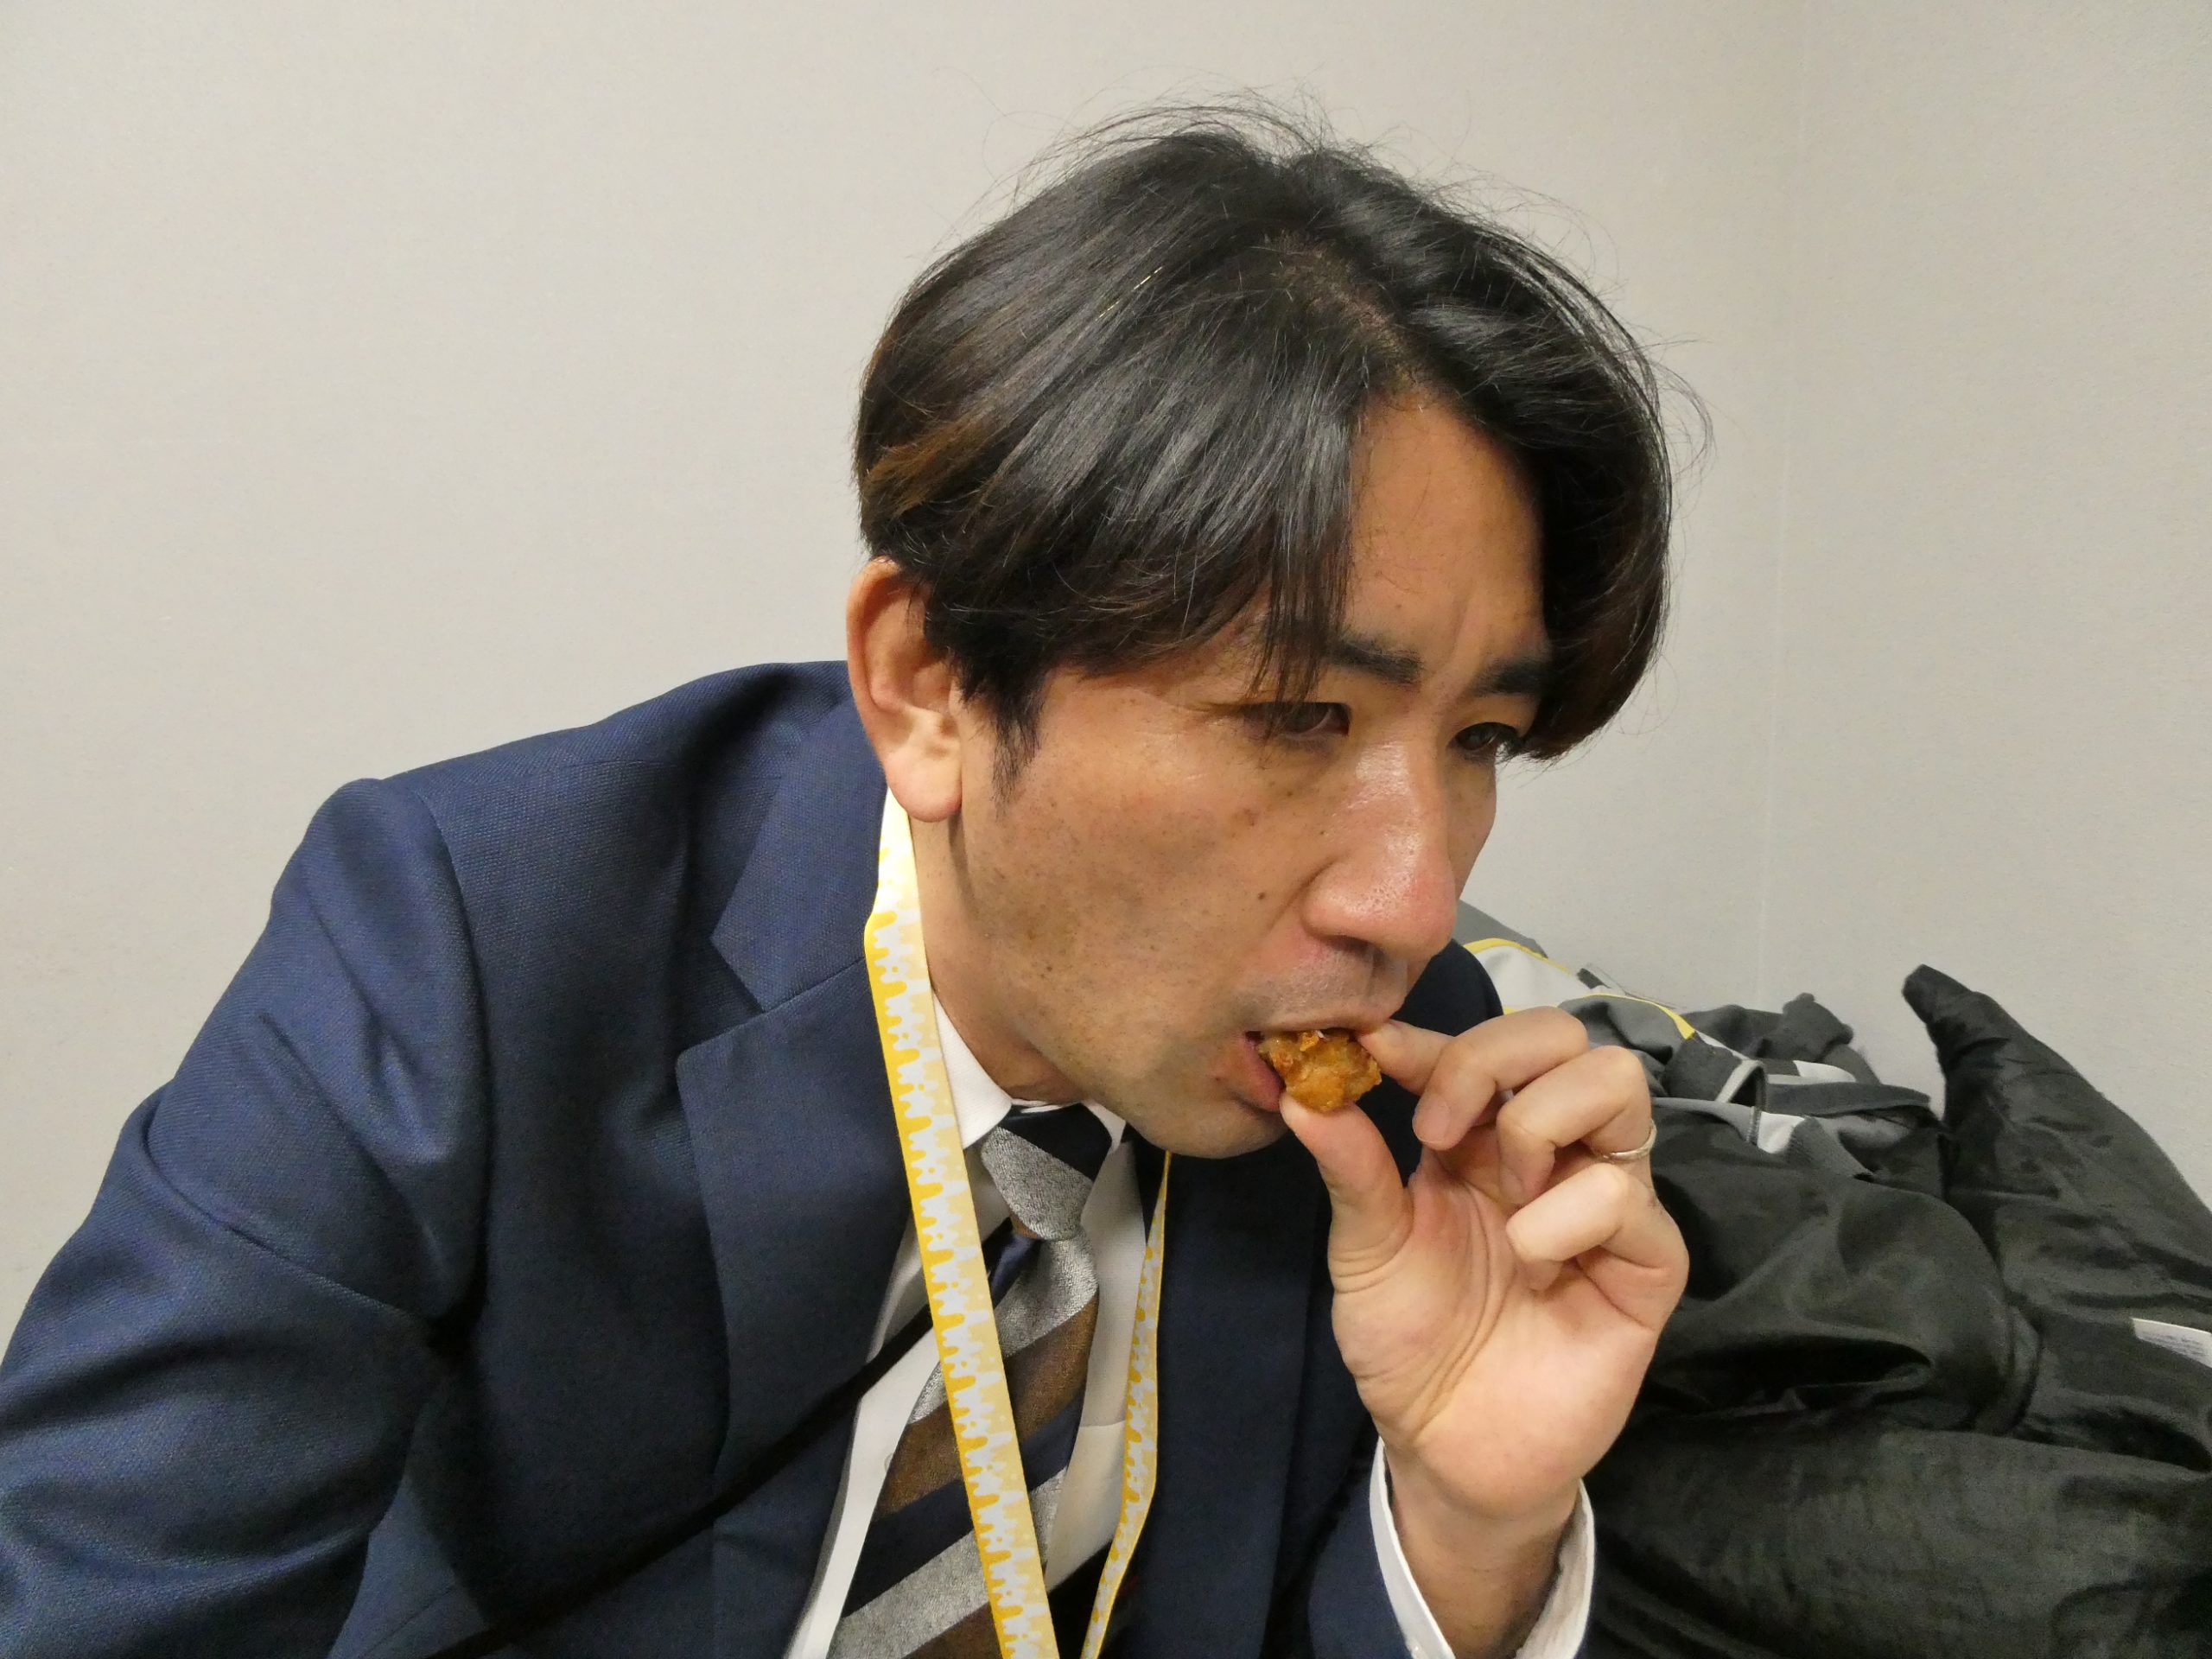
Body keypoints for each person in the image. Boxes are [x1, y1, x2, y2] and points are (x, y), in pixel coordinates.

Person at [0, 109, 1689, 1659]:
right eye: (1296, 717)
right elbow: (109, 1598)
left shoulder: (1412, 1113)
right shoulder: (470, 943)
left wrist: (1470, 1520)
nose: (1411, 903)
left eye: (1480, 738)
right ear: (930, 686)